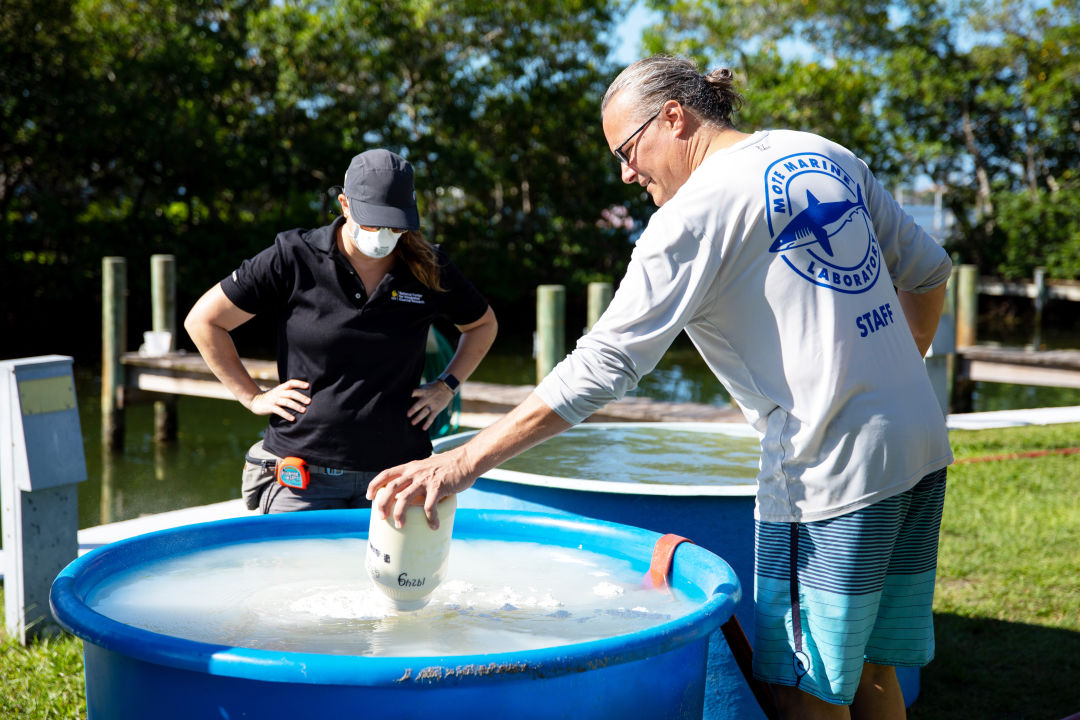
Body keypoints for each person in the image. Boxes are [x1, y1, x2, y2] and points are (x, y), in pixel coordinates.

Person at [366, 56, 953, 719]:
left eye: (626, 148)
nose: (625, 171)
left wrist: (461, 461)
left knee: (802, 690)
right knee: (874, 668)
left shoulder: (690, 218)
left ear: (674, 117)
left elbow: (602, 365)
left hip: (829, 473)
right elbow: (930, 271)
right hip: (919, 443)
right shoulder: (819, 153)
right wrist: (895, 374)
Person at [184, 148, 497, 514]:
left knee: (397, 574)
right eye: (372, 223)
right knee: (297, 573)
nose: (384, 235)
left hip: (398, 477)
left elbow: (482, 325)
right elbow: (204, 321)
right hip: (302, 477)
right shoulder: (293, 256)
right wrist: (252, 397)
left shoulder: (429, 266)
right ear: (345, 205)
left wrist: (447, 386)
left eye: (396, 226)